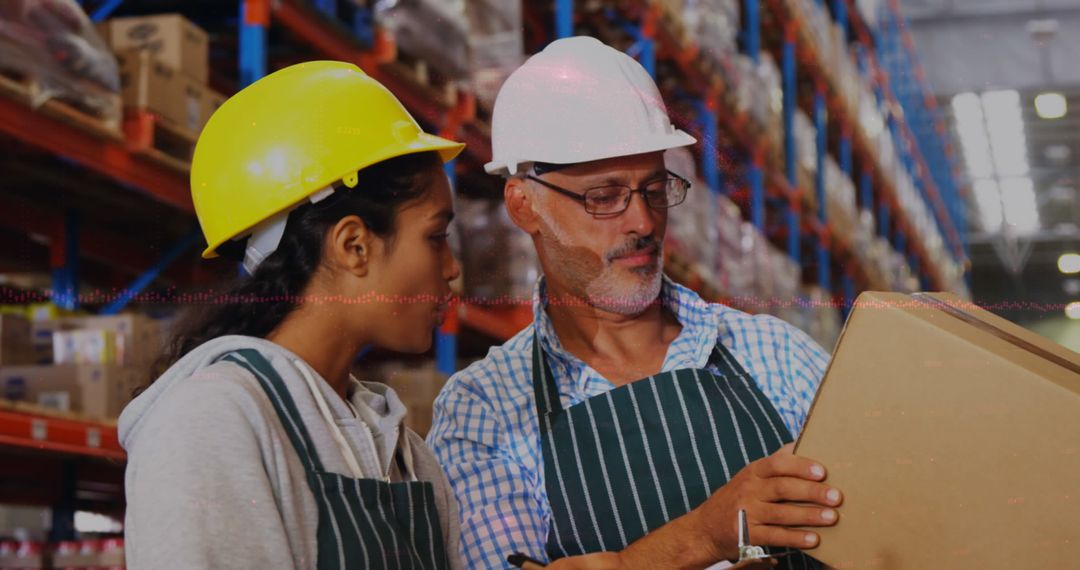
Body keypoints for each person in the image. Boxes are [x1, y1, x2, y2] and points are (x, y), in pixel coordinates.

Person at [428, 37, 840, 569]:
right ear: (523, 205)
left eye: (653, 189)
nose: (643, 223)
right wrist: (704, 537)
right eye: (604, 197)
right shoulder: (487, 411)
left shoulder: (774, 355)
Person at [120, 61, 467, 569]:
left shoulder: (405, 455)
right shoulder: (211, 423)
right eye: (435, 237)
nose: (453, 269)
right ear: (354, 245)